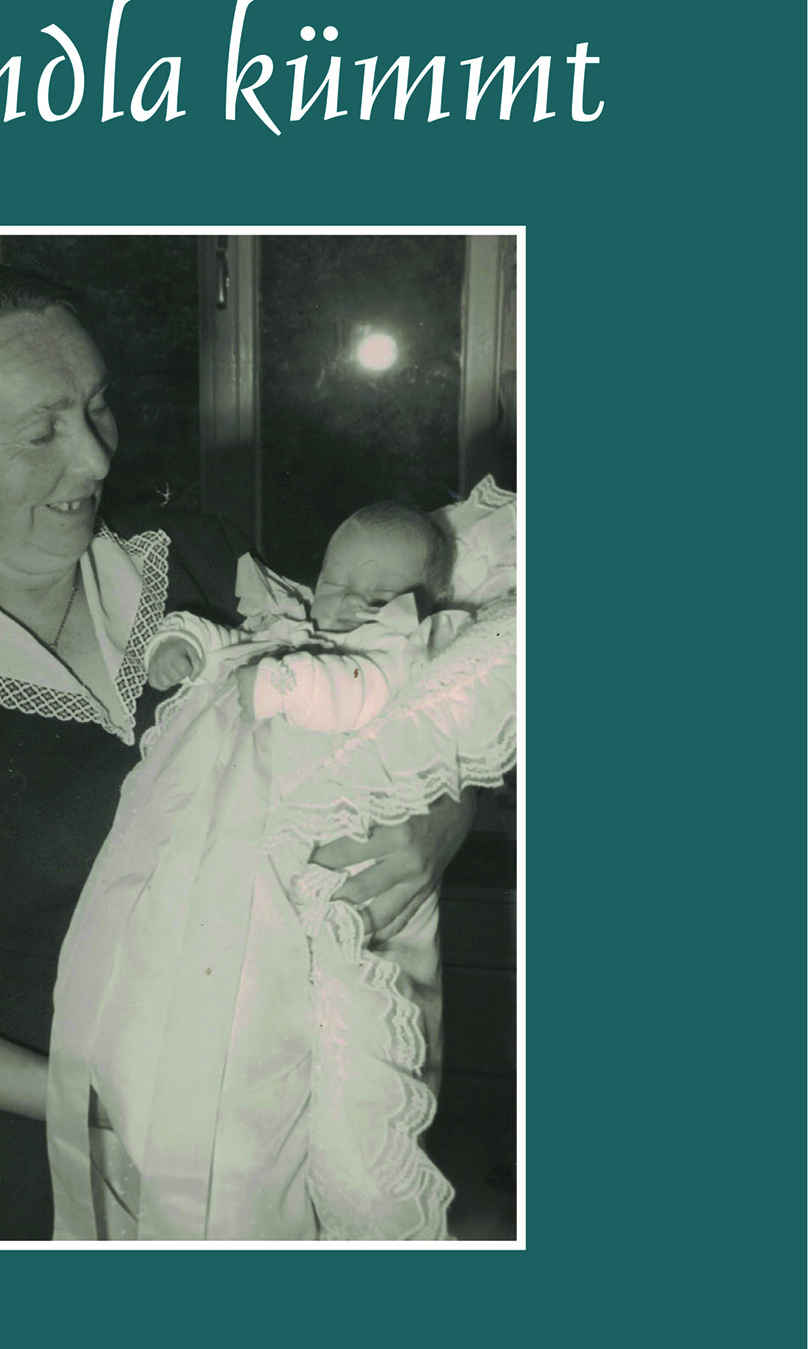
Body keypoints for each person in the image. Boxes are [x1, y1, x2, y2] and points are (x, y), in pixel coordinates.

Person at [0, 259, 478, 1241]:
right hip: (32, 1165)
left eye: (97, 407)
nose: (93, 459)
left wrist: (441, 819)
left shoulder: (199, 560)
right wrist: (87, 1099)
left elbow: (391, 699)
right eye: (40, 431)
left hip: (272, 1119)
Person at [48, 488, 516, 1241]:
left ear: (421, 605)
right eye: (334, 583)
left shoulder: (396, 650)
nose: (349, 605)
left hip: (306, 860)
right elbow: (227, 641)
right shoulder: (291, 622)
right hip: (214, 850)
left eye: (378, 598)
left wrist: (280, 683)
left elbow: (361, 695)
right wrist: (183, 643)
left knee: (287, 1058)